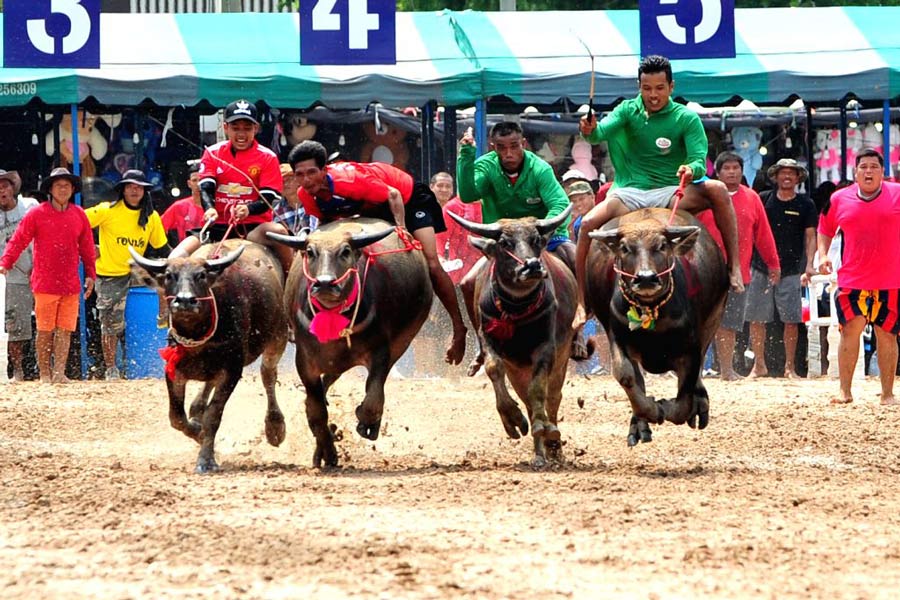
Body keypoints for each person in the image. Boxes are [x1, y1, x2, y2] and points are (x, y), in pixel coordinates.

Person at [575, 55, 744, 327]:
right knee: (586, 225)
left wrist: (691, 170)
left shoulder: (685, 118)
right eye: (647, 88)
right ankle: (583, 302)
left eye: (659, 88)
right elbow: (598, 134)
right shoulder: (627, 110)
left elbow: (699, 160)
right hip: (629, 192)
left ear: (671, 86)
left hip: (670, 190)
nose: (653, 95)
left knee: (719, 189)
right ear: (639, 86)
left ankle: (734, 267)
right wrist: (588, 129)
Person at [289, 140, 468, 365]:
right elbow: (326, 225)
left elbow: (393, 195)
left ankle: (459, 327)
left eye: (312, 172)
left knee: (431, 262)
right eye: (300, 174)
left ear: (324, 170)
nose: (306, 180)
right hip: (371, 209)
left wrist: (402, 230)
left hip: (408, 199)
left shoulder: (349, 179)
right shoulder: (306, 195)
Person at [456, 121, 585, 371]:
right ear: (493, 148)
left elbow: (559, 204)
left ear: (523, 144)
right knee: (468, 283)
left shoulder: (540, 169)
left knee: (576, 261)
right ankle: (483, 342)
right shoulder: (485, 165)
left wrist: (537, 229)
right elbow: (468, 194)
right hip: (504, 243)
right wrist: (466, 155)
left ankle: (576, 330)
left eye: (514, 147)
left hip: (539, 238)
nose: (509, 154)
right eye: (501, 148)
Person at [167, 100, 294, 273]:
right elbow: (206, 188)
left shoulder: (268, 157)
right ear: (226, 128)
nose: (241, 133)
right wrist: (210, 208)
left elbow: (269, 198)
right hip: (216, 226)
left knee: (279, 231)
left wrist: (248, 209)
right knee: (175, 256)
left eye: (247, 128)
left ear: (256, 129)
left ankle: (290, 279)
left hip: (252, 227)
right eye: (236, 128)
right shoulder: (213, 153)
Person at [817, 149, 900, 405]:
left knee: (886, 333)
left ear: (882, 173)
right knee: (849, 331)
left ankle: (887, 394)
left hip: (891, 279)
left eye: (874, 167)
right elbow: (824, 228)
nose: (868, 171)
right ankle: (845, 391)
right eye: (863, 167)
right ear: (855, 173)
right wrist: (822, 256)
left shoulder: (897, 193)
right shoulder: (839, 198)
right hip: (852, 277)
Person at [0, 168, 95, 384]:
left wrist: (91, 273)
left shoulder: (79, 214)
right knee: (45, 330)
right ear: (50, 189)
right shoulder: (37, 213)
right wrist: (5, 263)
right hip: (44, 283)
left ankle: (59, 372)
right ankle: (44, 373)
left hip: (70, 283)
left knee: (65, 330)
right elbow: (18, 240)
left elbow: (87, 247)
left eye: (67, 185)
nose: (63, 189)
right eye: (59, 185)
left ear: (73, 190)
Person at [697, 151, 781, 381]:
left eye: (736, 168)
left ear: (742, 171)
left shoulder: (752, 198)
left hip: (738, 272)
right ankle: (695, 371)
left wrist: (773, 263)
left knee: (729, 324)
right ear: (718, 172)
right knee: (700, 323)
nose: (732, 172)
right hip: (704, 272)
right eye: (727, 168)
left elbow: (763, 233)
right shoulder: (704, 196)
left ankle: (726, 370)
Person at [85, 170, 169, 380]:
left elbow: (163, 248)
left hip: (135, 269)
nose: (135, 190)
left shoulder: (151, 216)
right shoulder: (107, 210)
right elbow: (78, 222)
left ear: (144, 191)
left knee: (166, 276)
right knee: (110, 323)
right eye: (130, 186)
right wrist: (88, 248)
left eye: (139, 187)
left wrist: (178, 263)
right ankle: (111, 368)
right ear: (123, 189)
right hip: (110, 273)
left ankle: (163, 316)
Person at [745, 158, 817, 378]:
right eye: (783, 173)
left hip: (791, 269)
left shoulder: (806, 204)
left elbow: (811, 236)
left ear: (798, 178)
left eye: (791, 173)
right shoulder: (762, 199)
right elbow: (750, 231)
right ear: (775, 177)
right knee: (757, 318)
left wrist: (810, 264)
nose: (787, 176)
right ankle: (759, 365)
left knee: (791, 320)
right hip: (760, 266)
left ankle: (789, 368)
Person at [0, 169, 39, 381]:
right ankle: (18, 371)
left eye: (4, 185)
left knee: (47, 323)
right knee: (15, 326)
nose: (1, 191)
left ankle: (45, 368)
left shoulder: (30, 206)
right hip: (12, 279)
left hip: (40, 272)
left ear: (13, 187)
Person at [431, 171, 482, 286]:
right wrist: (439, 257)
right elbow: (440, 238)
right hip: (457, 267)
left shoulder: (489, 206)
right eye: (440, 186)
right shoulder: (453, 206)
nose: (444, 190)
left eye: (448, 186)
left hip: (482, 264)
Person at [161, 163, 205, 243]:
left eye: (202, 180)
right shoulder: (179, 206)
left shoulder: (218, 206)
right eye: (195, 180)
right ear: (189, 183)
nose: (199, 184)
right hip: (187, 253)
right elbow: (158, 227)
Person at [273, 163, 317, 235]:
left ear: (298, 180)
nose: (285, 184)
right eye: (281, 181)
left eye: (289, 179)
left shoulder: (313, 199)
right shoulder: (276, 212)